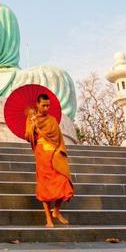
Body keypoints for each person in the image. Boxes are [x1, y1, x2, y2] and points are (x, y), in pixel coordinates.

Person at [25, 93, 74, 227]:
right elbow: (27, 136)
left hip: (54, 154)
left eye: (48, 106)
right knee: (44, 186)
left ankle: (56, 211)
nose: (46, 108)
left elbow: (59, 139)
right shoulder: (32, 119)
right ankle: (48, 219)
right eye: (44, 105)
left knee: (64, 181)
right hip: (42, 154)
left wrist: (59, 150)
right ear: (37, 104)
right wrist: (33, 127)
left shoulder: (52, 120)